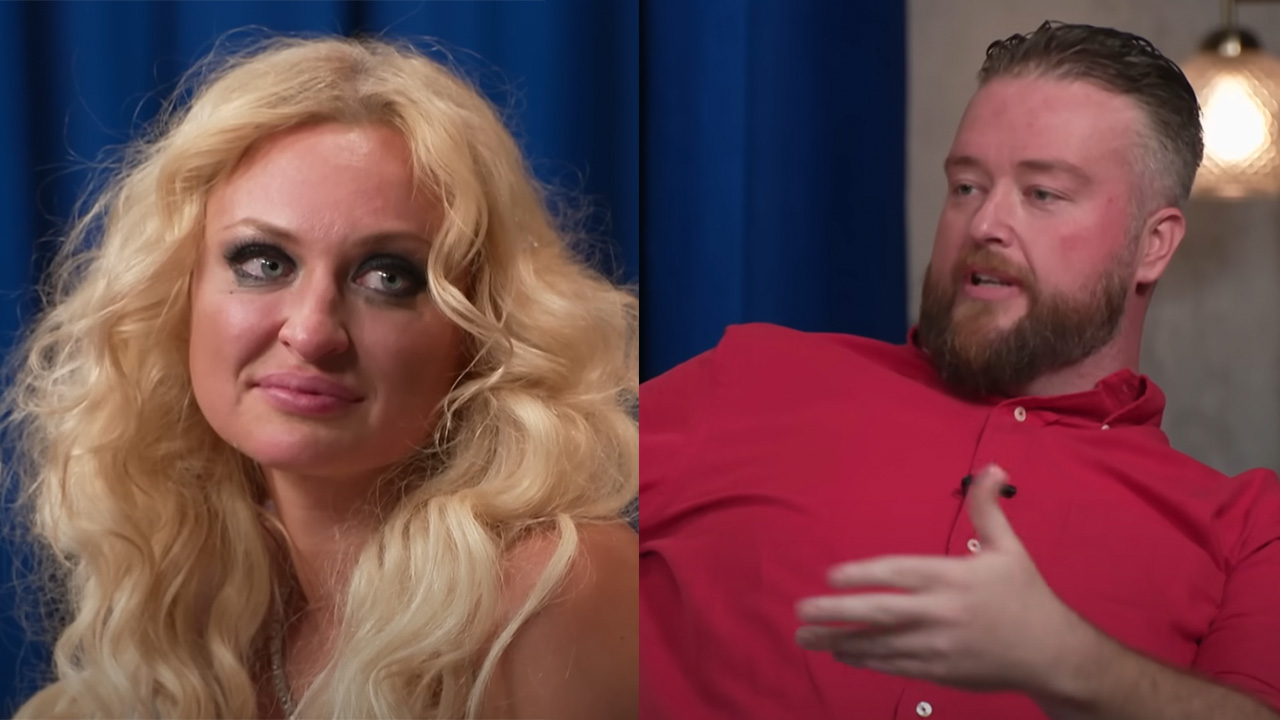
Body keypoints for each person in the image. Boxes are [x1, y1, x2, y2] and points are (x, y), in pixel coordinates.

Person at [640, 20, 1280, 720]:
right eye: (967, 186)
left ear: (1152, 246)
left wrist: (1071, 663)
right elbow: (548, 483)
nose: (984, 224)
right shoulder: (758, 377)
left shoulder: (1245, 529)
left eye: (1042, 193)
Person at [3, 35, 638, 719]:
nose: (310, 333)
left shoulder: (554, 588)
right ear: (177, 295)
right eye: (263, 263)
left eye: (387, 276)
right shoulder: (196, 596)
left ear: (479, 329)